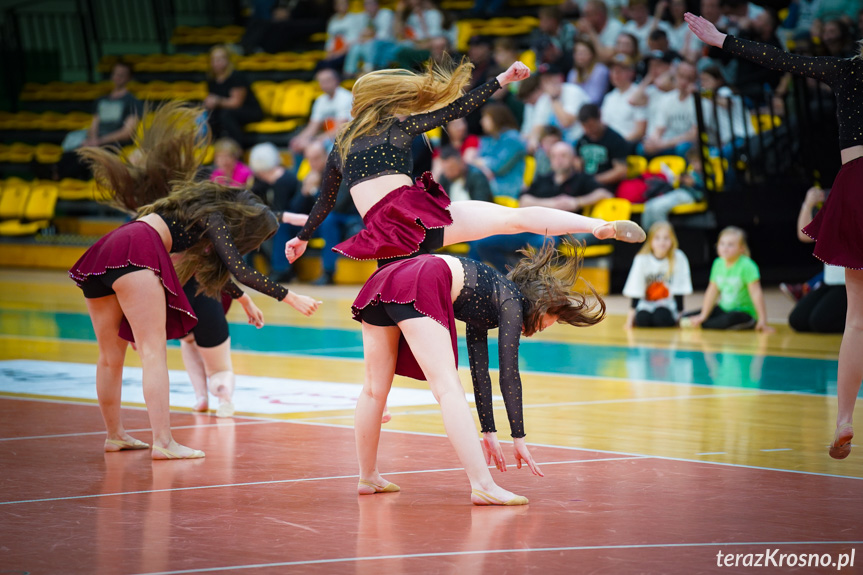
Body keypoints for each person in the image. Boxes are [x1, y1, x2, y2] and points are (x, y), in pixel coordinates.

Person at [70, 105, 321, 460]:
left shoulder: (197, 210)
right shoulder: (215, 218)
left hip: (109, 247)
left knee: (110, 357)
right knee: (153, 351)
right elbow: (241, 269)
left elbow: (210, 269)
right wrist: (289, 296)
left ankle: (116, 435)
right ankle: (164, 442)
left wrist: (245, 300)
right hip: (137, 253)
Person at [686, 11, 862, 459]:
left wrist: (721, 39)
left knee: (856, 320)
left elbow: (782, 60)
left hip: (854, 184)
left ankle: (844, 419)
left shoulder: (846, 70)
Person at [284, 58, 646, 270]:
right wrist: (501, 79)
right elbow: (457, 109)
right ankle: (598, 225)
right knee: (511, 218)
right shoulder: (399, 128)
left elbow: (324, 202)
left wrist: (302, 237)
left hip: (387, 236)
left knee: (391, 324)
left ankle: (383, 398)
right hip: (418, 219)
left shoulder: (340, 146)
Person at [352, 237, 605, 503]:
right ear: (541, 303)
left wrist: (490, 433)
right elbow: (509, 374)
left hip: (387, 276)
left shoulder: (487, 297)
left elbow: (480, 372)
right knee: (448, 388)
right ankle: (483, 484)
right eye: (551, 319)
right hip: (421, 276)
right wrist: (518, 438)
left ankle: (368, 476)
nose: (545, 327)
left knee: (373, 390)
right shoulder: (512, 300)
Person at [685, 226, 772, 333]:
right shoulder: (718, 263)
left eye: (730, 245)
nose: (725, 248)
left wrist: (762, 320)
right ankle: (702, 321)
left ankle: (704, 324)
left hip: (743, 312)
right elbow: (712, 291)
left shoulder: (747, 266)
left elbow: (756, 293)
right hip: (724, 309)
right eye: (722, 244)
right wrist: (703, 315)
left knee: (712, 323)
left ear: (741, 248)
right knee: (687, 317)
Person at [788, 187, 847, 334]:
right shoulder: (833, 218)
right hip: (831, 283)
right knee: (797, 320)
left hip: (849, 285)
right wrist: (808, 205)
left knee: (819, 322)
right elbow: (804, 235)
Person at [622, 221, 692, 328]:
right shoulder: (641, 259)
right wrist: (629, 320)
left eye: (666, 238)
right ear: (650, 241)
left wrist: (680, 316)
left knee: (661, 318)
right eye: (657, 238)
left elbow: (679, 289)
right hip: (646, 303)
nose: (662, 242)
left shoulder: (678, 257)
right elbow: (636, 289)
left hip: (667, 304)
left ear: (672, 240)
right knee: (642, 319)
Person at [204, 45, 264, 144]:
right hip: (228, 110)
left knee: (226, 114)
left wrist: (217, 101)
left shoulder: (236, 75)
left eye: (220, 59)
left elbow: (236, 103)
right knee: (211, 114)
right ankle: (214, 147)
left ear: (228, 60)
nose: (217, 63)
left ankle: (237, 148)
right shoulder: (211, 79)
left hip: (250, 110)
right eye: (214, 59)